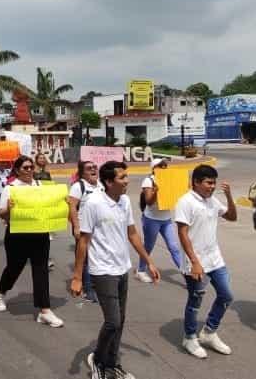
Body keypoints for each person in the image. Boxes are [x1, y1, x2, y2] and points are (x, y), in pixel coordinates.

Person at [70, 160, 160, 379]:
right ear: (109, 182)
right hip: (102, 270)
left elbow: (132, 233)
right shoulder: (92, 203)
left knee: (121, 320)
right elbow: (84, 241)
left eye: (126, 176)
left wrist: (148, 260)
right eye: (122, 178)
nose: (127, 181)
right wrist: (77, 277)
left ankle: (112, 363)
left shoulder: (125, 201)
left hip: (121, 268)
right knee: (113, 321)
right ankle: (98, 360)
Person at [0, 155, 64, 328]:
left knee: (41, 270)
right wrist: (8, 209)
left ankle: (44, 310)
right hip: (17, 235)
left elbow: (49, 206)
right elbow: (1, 214)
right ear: (17, 170)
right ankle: (0, 292)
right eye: (25, 167)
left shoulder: (40, 186)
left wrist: (62, 204)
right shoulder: (11, 188)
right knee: (14, 268)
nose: (30, 170)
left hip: (39, 233)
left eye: (31, 167)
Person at [175, 164, 238, 359]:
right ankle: (190, 337)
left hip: (215, 259)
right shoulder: (185, 202)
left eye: (214, 183)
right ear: (196, 182)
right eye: (208, 183)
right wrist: (194, 262)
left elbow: (232, 217)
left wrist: (229, 197)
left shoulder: (212, 201)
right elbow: (182, 233)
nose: (212, 187)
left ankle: (209, 332)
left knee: (226, 296)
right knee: (195, 300)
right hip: (196, 261)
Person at [135, 158, 183, 283]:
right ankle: (140, 271)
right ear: (153, 168)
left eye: (164, 165)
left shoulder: (169, 178)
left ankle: (186, 274)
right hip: (151, 219)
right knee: (149, 246)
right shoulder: (148, 181)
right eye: (160, 165)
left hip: (166, 219)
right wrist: (156, 191)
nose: (163, 167)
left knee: (174, 247)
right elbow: (149, 202)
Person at [68, 160, 102, 303]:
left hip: (99, 229)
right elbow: (72, 208)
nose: (93, 169)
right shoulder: (78, 186)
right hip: (83, 229)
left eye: (95, 167)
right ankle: (88, 289)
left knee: (96, 258)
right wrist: (76, 226)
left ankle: (96, 286)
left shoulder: (101, 185)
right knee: (86, 259)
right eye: (89, 168)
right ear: (82, 173)